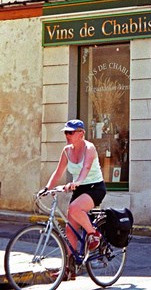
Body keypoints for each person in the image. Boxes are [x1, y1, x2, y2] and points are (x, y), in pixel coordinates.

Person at [44, 119, 106, 278]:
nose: (67, 135)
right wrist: (47, 188)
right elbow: (58, 172)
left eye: (71, 132)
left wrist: (77, 182)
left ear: (81, 133)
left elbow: (85, 169)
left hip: (95, 187)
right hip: (79, 188)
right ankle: (68, 269)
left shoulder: (89, 148)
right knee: (70, 229)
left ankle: (94, 234)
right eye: (66, 132)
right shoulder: (66, 150)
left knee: (75, 208)